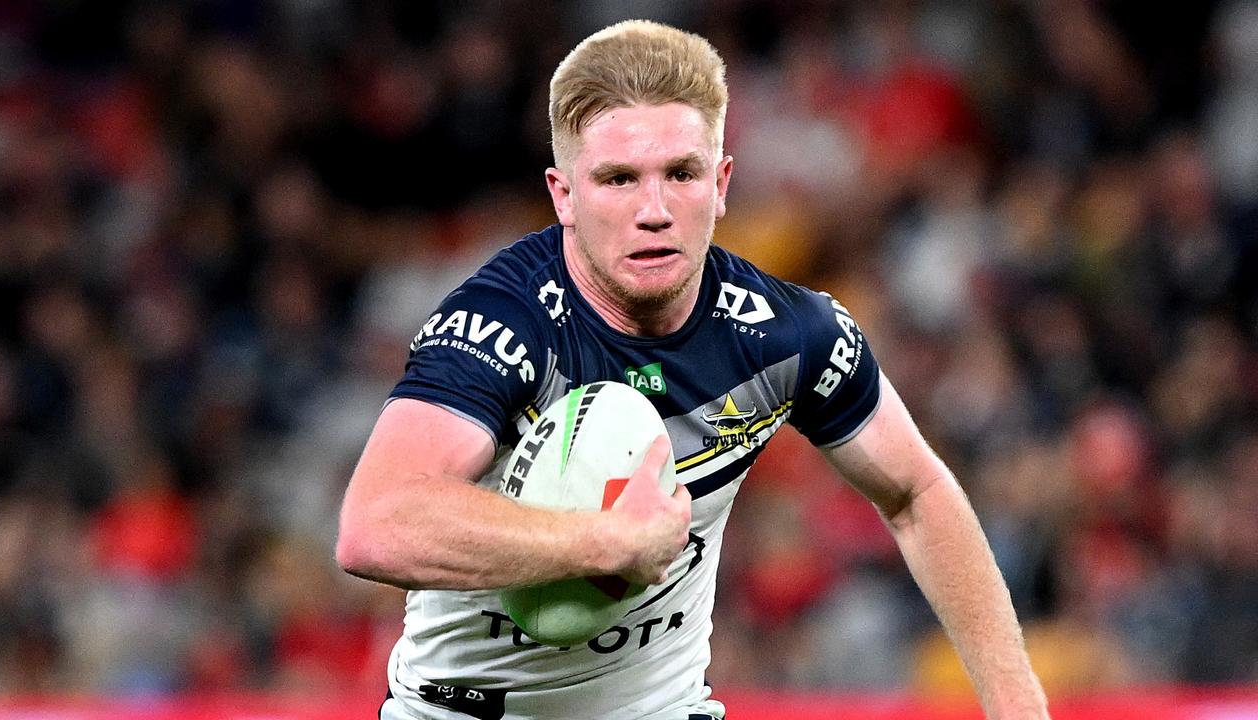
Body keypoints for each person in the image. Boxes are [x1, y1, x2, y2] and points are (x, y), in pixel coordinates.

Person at [336, 19, 1050, 720]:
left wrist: (1018, 708)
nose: (654, 210)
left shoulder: (786, 333)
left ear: (722, 182)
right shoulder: (504, 322)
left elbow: (917, 491)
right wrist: (609, 542)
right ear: (563, 196)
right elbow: (375, 523)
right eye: (618, 179)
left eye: (681, 173)